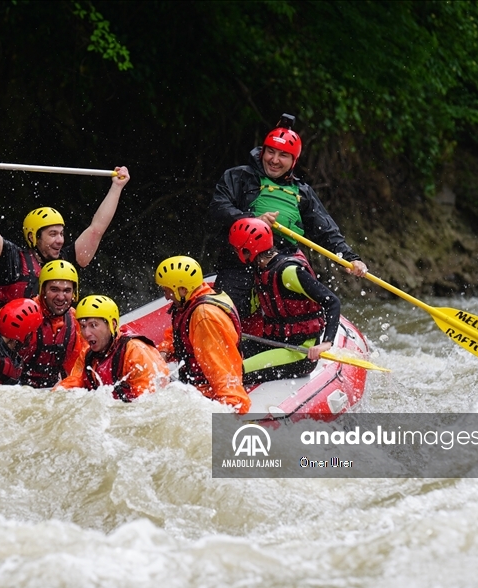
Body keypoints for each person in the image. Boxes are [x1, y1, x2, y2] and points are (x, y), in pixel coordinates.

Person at [208, 113, 367, 316]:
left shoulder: (302, 192)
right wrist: (251, 220)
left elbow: (326, 230)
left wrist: (350, 258)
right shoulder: (238, 177)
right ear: (262, 152)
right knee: (226, 315)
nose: (274, 160)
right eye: (270, 152)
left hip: (280, 266)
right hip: (239, 263)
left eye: (283, 155)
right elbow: (218, 208)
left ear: (293, 161)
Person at [0, 157, 131, 306]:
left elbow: (97, 229)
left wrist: (117, 187)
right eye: (53, 234)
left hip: (56, 328)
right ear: (33, 237)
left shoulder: (68, 260)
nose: (60, 240)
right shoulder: (12, 259)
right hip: (14, 327)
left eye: (61, 234)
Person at [229, 218, 341, 382]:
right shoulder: (261, 270)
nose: (236, 253)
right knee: (224, 355)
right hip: (273, 341)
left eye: (238, 249)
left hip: (300, 351)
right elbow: (249, 307)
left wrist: (326, 343)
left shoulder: (288, 272)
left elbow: (332, 302)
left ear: (249, 249)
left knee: (233, 372)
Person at [0, 260, 87, 388]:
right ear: (42, 290)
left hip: (49, 392)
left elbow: (79, 368)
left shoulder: (76, 321)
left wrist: (65, 388)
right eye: (54, 289)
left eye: (67, 290)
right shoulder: (23, 311)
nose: (61, 297)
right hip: (16, 390)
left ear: (74, 293)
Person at [155, 256, 251, 414]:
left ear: (182, 290)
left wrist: (230, 407)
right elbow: (180, 334)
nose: (166, 296)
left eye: (167, 290)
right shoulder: (194, 298)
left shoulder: (204, 318)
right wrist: (165, 351)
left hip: (206, 394)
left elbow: (220, 369)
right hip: (193, 385)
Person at [55, 295, 169, 401]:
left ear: (112, 324)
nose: (86, 333)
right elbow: (72, 384)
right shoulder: (87, 355)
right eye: (83, 326)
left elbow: (150, 400)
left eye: (93, 325)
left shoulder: (135, 350)